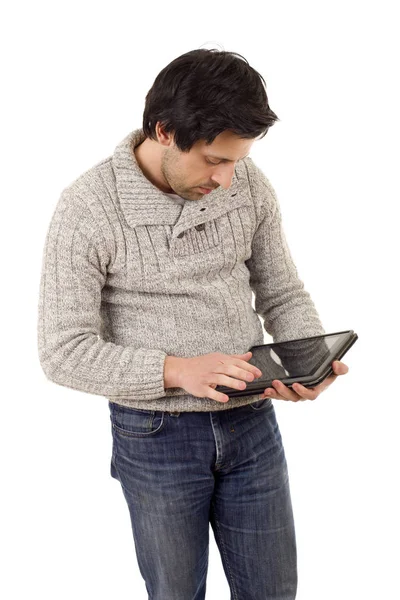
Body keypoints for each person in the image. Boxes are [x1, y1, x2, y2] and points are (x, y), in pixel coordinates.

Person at [37, 48, 348, 600]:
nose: (228, 179)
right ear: (163, 130)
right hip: (155, 435)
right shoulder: (88, 207)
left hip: (252, 420)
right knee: (176, 592)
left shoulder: (247, 183)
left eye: (236, 161)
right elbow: (63, 350)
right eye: (214, 160)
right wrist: (179, 371)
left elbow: (281, 290)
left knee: (274, 591)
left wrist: (305, 360)